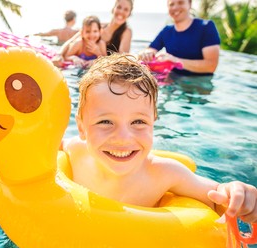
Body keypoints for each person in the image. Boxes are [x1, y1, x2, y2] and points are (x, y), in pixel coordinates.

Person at [61, 53, 257, 223]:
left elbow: (217, 195)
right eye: (105, 122)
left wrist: (237, 193)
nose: (122, 138)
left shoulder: (164, 173)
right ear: (82, 128)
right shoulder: (76, 151)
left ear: (153, 123)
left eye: (138, 122)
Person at [139, 0, 220, 75]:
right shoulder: (166, 31)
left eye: (180, 2)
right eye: (171, 4)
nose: (175, 7)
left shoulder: (206, 27)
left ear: (190, 4)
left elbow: (211, 66)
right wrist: (146, 53)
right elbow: (151, 49)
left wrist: (175, 60)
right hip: (172, 82)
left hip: (200, 84)